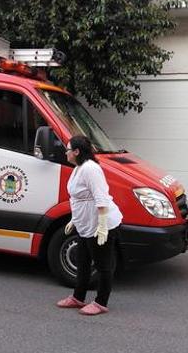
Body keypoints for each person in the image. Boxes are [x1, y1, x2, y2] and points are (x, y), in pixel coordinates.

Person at [56, 135, 122, 316]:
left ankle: (101, 302)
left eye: (68, 150)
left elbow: (101, 198)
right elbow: (79, 198)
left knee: (102, 265)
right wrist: (73, 220)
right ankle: (78, 297)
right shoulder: (79, 168)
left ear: (76, 152)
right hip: (85, 223)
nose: (66, 153)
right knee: (83, 261)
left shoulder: (91, 169)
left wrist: (102, 227)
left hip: (100, 224)